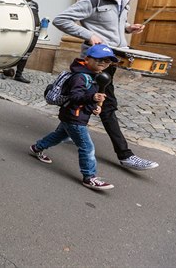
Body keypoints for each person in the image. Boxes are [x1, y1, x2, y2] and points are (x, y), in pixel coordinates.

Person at [53, 0, 159, 171]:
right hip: (94, 63)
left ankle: (62, 133)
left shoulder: (124, 1)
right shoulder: (94, 0)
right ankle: (125, 155)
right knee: (107, 106)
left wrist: (128, 29)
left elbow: (111, 27)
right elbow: (61, 19)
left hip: (110, 60)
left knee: (82, 99)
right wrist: (88, 35)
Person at [30, 44, 117, 190]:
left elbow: (85, 99)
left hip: (74, 115)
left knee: (59, 136)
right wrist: (92, 98)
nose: (103, 63)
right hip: (74, 117)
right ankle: (89, 177)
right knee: (87, 147)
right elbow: (75, 97)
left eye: (107, 61)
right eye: (99, 60)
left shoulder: (94, 75)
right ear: (88, 59)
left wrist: (94, 106)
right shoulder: (80, 77)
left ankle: (37, 147)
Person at [3, 0, 40, 83]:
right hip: (19, 32)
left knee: (26, 53)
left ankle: (19, 74)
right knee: (12, 50)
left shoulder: (35, 4)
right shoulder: (16, 2)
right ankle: (6, 70)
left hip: (33, 32)